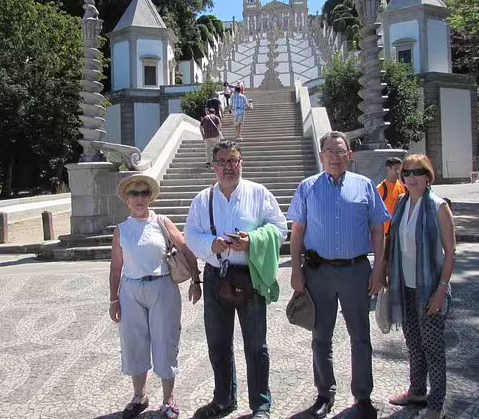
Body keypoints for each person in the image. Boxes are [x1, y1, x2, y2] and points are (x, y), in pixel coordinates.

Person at [288, 131, 390, 419]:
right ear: (321, 156)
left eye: (340, 151)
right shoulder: (307, 187)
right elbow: (297, 233)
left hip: (355, 271)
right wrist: (296, 271)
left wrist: (379, 268)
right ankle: (324, 393)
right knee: (321, 336)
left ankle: (363, 396)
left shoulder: (365, 186)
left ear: (350, 155)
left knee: (360, 337)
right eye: (329, 151)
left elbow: (377, 229)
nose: (335, 156)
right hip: (318, 273)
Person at [185, 140, 288, 419]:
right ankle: (223, 399)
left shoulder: (259, 193)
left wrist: (253, 241)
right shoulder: (202, 199)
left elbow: (280, 229)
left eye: (234, 160)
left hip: (249, 275)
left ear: (241, 162)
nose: (229, 166)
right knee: (218, 343)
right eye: (222, 161)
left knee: (256, 344)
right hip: (216, 275)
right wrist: (212, 244)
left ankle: (261, 404)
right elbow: (190, 235)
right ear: (213, 167)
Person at [109, 174, 203, 419]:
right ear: (127, 200)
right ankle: (139, 395)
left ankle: (168, 399)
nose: (139, 198)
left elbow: (185, 248)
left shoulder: (161, 221)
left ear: (150, 197)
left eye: (143, 193)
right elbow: (116, 267)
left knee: (165, 341)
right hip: (130, 290)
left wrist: (195, 280)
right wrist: (113, 299)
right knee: (134, 343)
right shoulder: (121, 229)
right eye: (134, 194)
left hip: (162, 287)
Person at [386, 155, 455, 419]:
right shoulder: (402, 204)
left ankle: (436, 405)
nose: (411, 178)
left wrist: (441, 289)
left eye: (417, 173)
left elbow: (451, 252)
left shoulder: (438, 207)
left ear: (428, 177)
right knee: (414, 343)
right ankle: (417, 390)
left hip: (430, 289)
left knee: (433, 348)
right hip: (406, 287)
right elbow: (396, 245)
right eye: (406, 173)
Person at [377, 156, 407, 234]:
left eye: (400, 169)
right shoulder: (381, 188)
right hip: (386, 231)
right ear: (388, 169)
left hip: (401, 228)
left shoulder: (403, 186)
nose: (398, 172)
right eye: (396, 168)